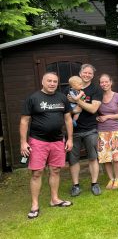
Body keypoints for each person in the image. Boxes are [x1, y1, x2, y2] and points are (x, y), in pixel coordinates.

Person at [20, 72, 74, 219]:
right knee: (37, 172)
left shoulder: (62, 98)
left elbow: (68, 119)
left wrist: (70, 139)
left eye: (55, 81)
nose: (52, 84)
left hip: (57, 140)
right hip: (38, 141)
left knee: (55, 170)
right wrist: (23, 142)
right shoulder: (33, 98)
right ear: (43, 82)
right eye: (49, 81)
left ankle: (54, 199)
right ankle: (35, 205)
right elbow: (24, 121)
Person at [67, 64, 102, 196]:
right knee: (73, 159)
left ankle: (94, 184)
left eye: (90, 73)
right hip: (73, 131)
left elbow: (93, 109)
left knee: (93, 158)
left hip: (90, 129)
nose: (87, 75)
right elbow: (67, 109)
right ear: (80, 73)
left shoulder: (96, 89)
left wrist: (77, 101)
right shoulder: (68, 88)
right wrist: (76, 108)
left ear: (93, 76)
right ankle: (76, 185)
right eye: (85, 72)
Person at [96, 74, 118, 190]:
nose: (104, 84)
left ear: (111, 82)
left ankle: (117, 178)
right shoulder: (98, 96)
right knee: (106, 157)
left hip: (115, 131)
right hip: (102, 131)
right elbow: (94, 111)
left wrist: (107, 117)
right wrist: (97, 118)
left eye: (106, 82)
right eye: (102, 82)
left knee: (117, 157)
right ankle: (111, 178)